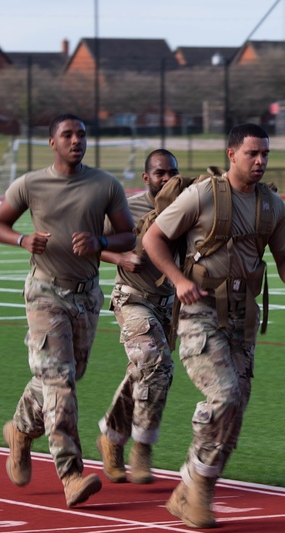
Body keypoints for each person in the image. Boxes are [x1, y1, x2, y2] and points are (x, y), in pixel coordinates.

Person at [143, 123, 285, 529]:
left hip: (242, 316)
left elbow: (284, 254)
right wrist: (179, 282)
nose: (261, 161)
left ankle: (193, 487)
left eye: (265, 154)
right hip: (200, 309)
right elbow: (153, 239)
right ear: (232, 154)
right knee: (224, 395)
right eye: (253, 153)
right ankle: (196, 487)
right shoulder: (203, 195)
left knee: (234, 413)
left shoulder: (271, 205)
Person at [0, 113, 136, 508]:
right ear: (52, 142)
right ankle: (70, 474)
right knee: (59, 383)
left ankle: (20, 430)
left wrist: (101, 239)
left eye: (81, 135)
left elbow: (127, 234)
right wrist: (22, 239)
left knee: (64, 376)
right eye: (67, 135)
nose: (76, 140)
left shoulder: (105, 184)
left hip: (86, 297)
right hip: (45, 293)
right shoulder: (31, 184)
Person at [96, 149, 180, 485]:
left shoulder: (185, 208)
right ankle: (142, 446)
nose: (167, 178)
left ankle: (111, 438)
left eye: (172, 172)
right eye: (160, 173)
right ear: (146, 178)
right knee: (157, 365)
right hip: (131, 298)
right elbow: (90, 244)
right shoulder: (127, 210)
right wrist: (120, 257)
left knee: (143, 371)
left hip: (168, 303)